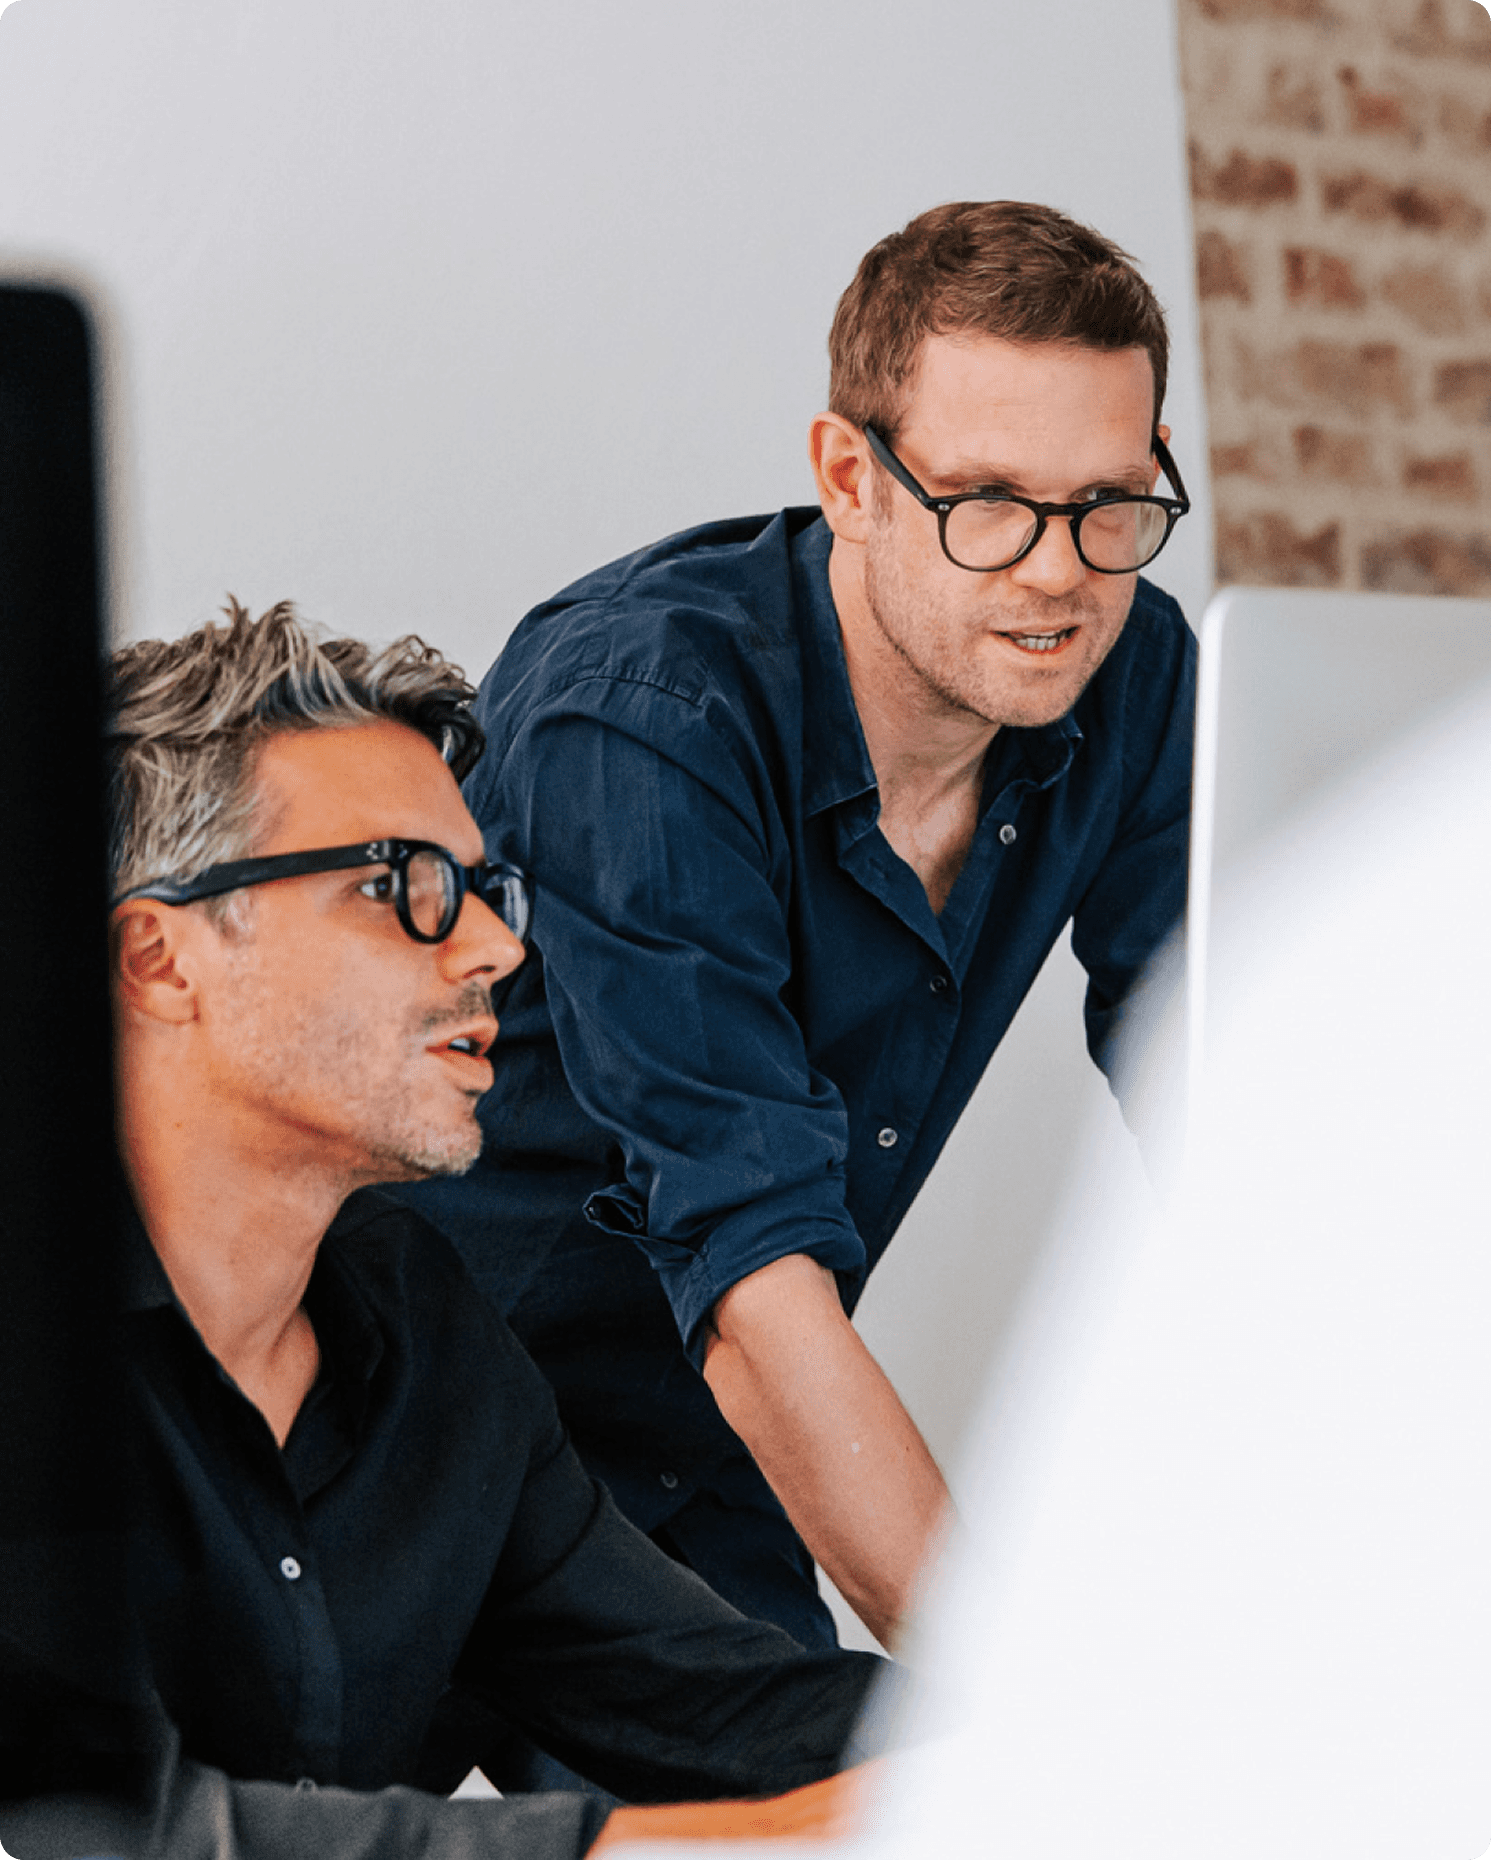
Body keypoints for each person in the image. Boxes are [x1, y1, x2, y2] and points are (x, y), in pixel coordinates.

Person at [397, 199, 1198, 1654]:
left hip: (701, 1443)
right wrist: (1019, 1698)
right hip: (408, 1436)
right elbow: (751, 1261)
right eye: (988, 501)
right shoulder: (642, 718)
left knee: (851, 1780)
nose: (1057, 571)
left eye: (1110, 503)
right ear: (850, 477)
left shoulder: (1128, 669)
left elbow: (1218, 1083)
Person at [10, 601, 883, 1861]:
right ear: (158, 958)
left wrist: (1055, 1753)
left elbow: (715, 1703)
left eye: (482, 887)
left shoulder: (419, 1316)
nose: (497, 948)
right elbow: (81, 1828)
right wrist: (639, 1849)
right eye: (396, 886)